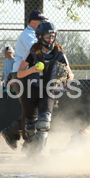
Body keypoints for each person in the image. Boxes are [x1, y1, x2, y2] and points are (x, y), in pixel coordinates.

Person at [16, 22, 74, 156]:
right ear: (40, 36)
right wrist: (32, 69)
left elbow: (71, 74)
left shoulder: (59, 52)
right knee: (30, 127)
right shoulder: (32, 51)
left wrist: (65, 77)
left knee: (44, 123)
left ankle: (39, 154)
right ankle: (30, 149)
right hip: (31, 90)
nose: (51, 39)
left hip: (48, 90)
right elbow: (19, 73)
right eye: (47, 36)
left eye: (53, 36)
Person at [1, 10, 48, 150]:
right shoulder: (29, 36)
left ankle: (14, 132)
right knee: (31, 110)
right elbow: (38, 53)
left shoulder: (34, 34)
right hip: (23, 75)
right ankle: (23, 139)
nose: (43, 24)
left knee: (32, 109)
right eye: (41, 21)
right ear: (32, 22)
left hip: (27, 74)